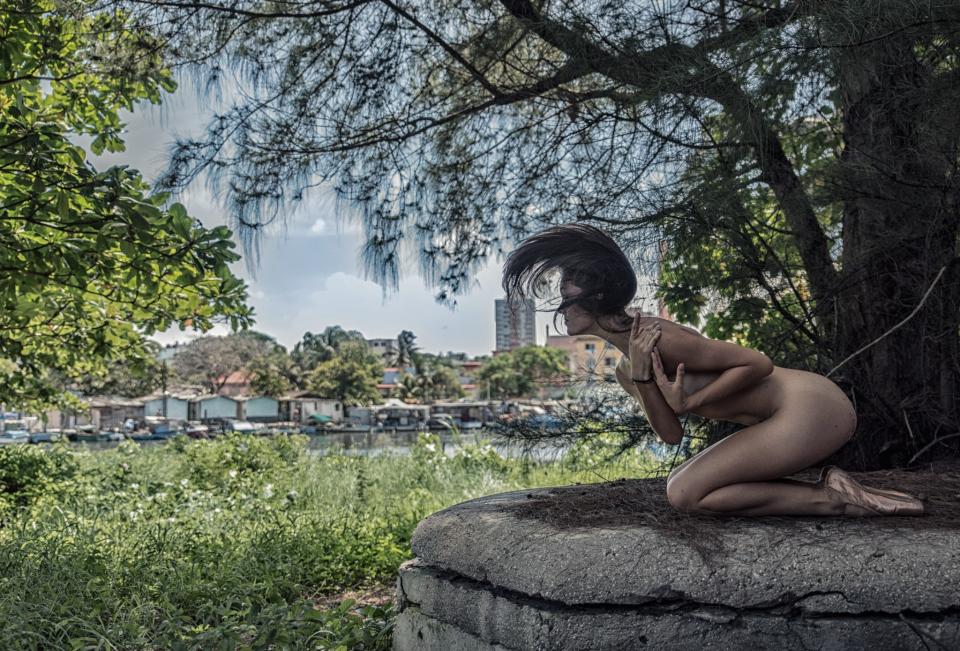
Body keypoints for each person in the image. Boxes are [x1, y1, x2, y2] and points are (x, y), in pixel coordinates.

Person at [502, 223, 924, 517]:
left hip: (811, 406)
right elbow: (671, 433)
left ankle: (833, 502)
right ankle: (832, 492)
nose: (561, 303)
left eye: (567, 293)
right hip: (791, 416)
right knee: (685, 492)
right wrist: (647, 378)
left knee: (686, 492)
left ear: (597, 297)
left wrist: (693, 400)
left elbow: (757, 363)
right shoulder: (630, 369)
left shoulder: (660, 335)